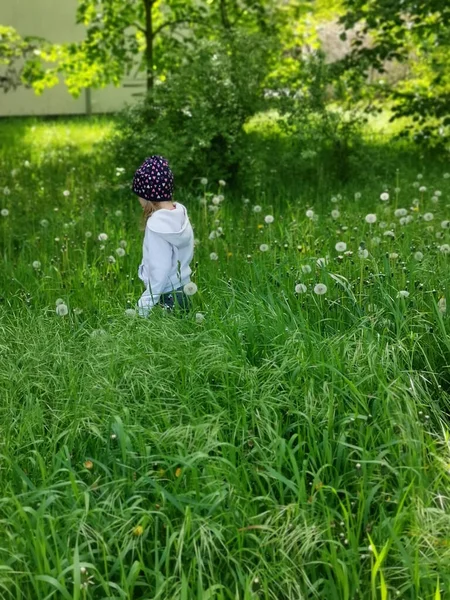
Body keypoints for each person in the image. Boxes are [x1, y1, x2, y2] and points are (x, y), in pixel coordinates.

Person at [132, 155, 195, 317]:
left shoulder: (156, 226)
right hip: (184, 292)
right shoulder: (180, 215)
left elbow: (160, 269)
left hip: (167, 296)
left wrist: (144, 304)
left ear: (146, 197)